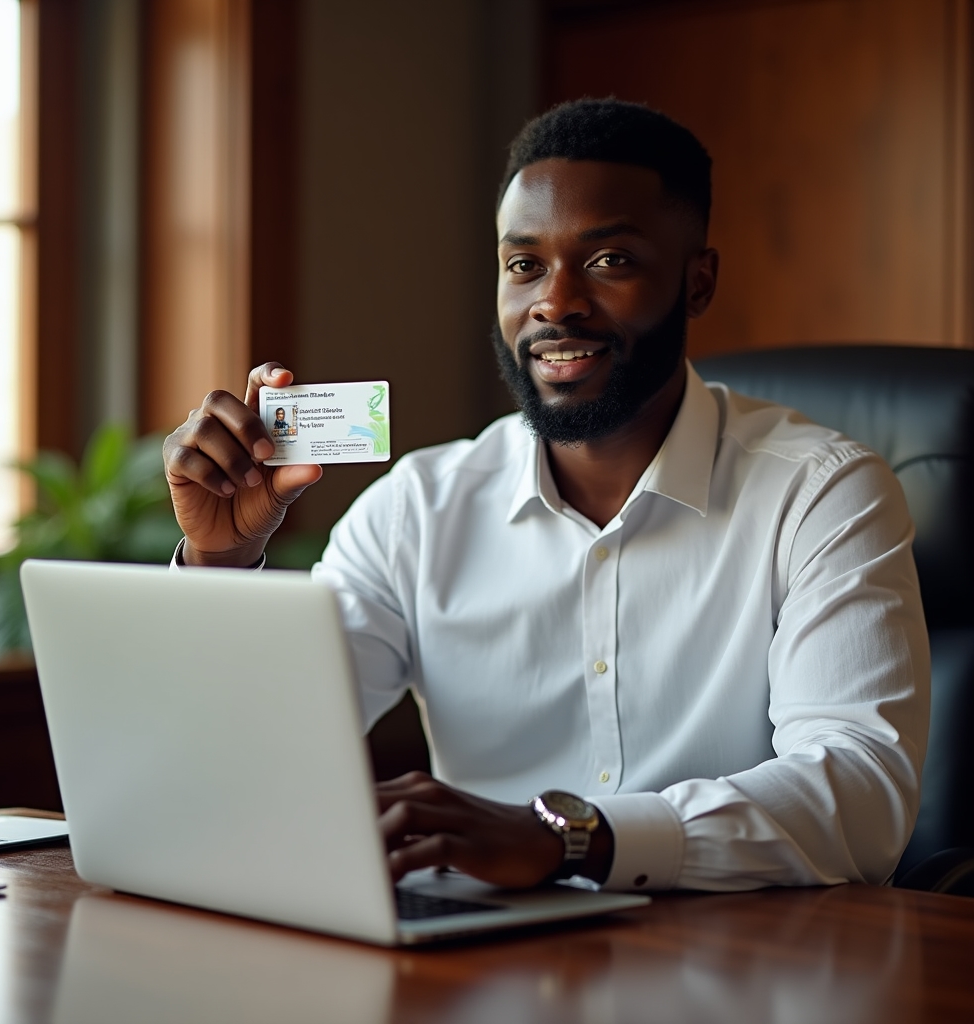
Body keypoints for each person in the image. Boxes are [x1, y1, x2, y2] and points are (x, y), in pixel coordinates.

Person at [163, 99, 929, 893]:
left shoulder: (822, 493)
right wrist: (222, 560)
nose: (555, 303)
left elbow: (861, 795)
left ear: (697, 282)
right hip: (476, 949)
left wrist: (571, 840)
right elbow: (250, 755)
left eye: (610, 261)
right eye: (524, 265)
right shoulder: (415, 512)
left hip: (738, 949)